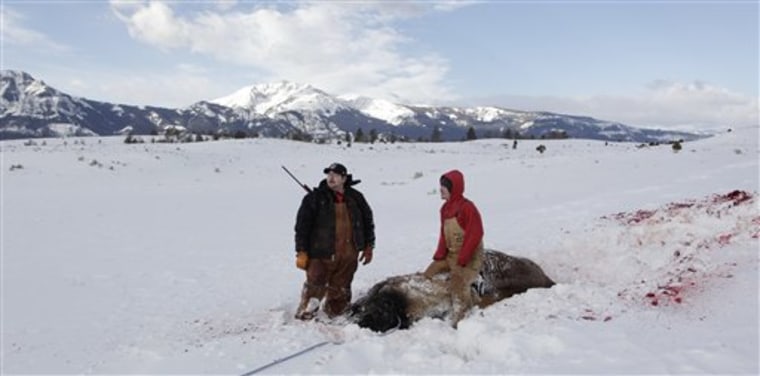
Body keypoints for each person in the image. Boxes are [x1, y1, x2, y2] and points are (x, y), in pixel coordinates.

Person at [293, 162, 375, 320]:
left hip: (349, 252)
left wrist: (369, 246)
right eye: (328, 174)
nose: (331, 178)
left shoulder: (356, 197)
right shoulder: (314, 198)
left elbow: (367, 221)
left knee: (342, 286)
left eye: (335, 175)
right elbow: (302, 227)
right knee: (315, 283)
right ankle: (307, 313)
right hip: (320, 252)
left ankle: (337, 313)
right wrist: (301, 251)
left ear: (344, 178)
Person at [422, 169, 484, 328]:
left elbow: (475, 233)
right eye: (441, 185)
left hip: (469, 257)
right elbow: (444, 234)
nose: (441, 189)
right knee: (428, 275)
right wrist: (440, 254)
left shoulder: (468, 208)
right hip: (450, 255)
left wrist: (464, 258)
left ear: (454, 188)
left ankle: (461, 315)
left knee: (458, 281)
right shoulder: (444, 209)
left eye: (445, 186)